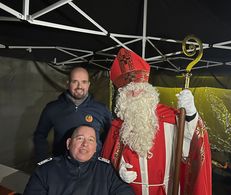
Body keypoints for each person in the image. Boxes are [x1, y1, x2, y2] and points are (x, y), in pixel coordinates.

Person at [102, 48, 212, 195]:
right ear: (122, 97)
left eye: (139, 89)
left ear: (148, 91)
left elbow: (192, 146)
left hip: (167, 190)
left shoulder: (171, 118)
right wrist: (118, 169)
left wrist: (191, 114)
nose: (135, 95)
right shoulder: (117, 126)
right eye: (129, 91)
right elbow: (106, 163)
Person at [24, 120, 134, 195]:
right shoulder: (45, 171)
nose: (85, 144)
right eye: (80, 138)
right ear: (68, 143)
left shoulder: (107, 170)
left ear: (96, 147)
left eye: (91, 140)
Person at [34, 66, 112, 162]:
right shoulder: (53, 108)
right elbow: (40, 135)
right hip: (62, 166)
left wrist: (102, 154)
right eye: (75, 81)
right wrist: (43, 161)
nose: (79, 86)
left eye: (83, 82)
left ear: (88, 84)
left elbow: (112, 134)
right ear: (68, 83)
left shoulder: (101, 109)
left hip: (93, 166)